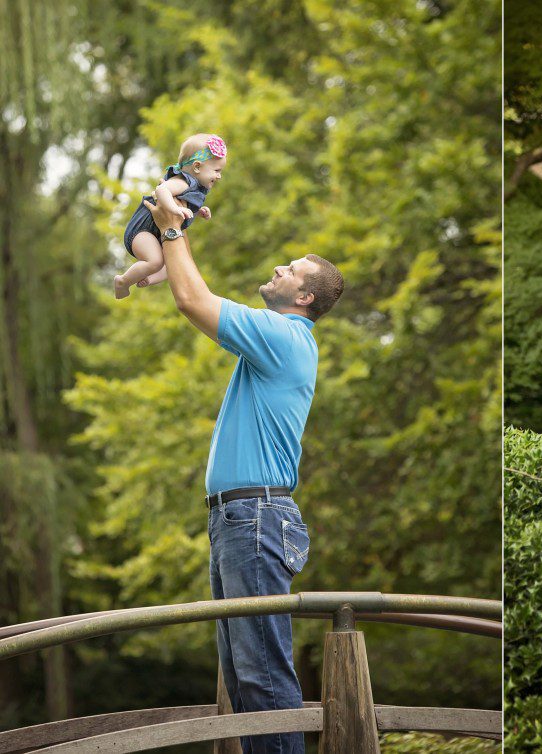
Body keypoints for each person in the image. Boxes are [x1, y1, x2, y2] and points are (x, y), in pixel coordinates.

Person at [144, 197, 344, 754]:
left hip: (255, 518)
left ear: (303, 297)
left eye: (292, 270)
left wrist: (170, 229)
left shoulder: (282, 336)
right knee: (242, 678)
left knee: (262, 676)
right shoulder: (274, 341)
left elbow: (191, 299)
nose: (279, 269)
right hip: (242, 519)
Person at [115, 133, 227, 299]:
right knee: (156, 261)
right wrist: (175, 209)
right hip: (143, 230)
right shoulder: (183, 182)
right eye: (216, 170)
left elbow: (183, 205)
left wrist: (198, 211)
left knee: (173, 264)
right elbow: (162, 191)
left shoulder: (194, 187)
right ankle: (123, 281)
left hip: (155, 233)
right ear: (196, 167)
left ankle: (147, 278)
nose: (219, 176)